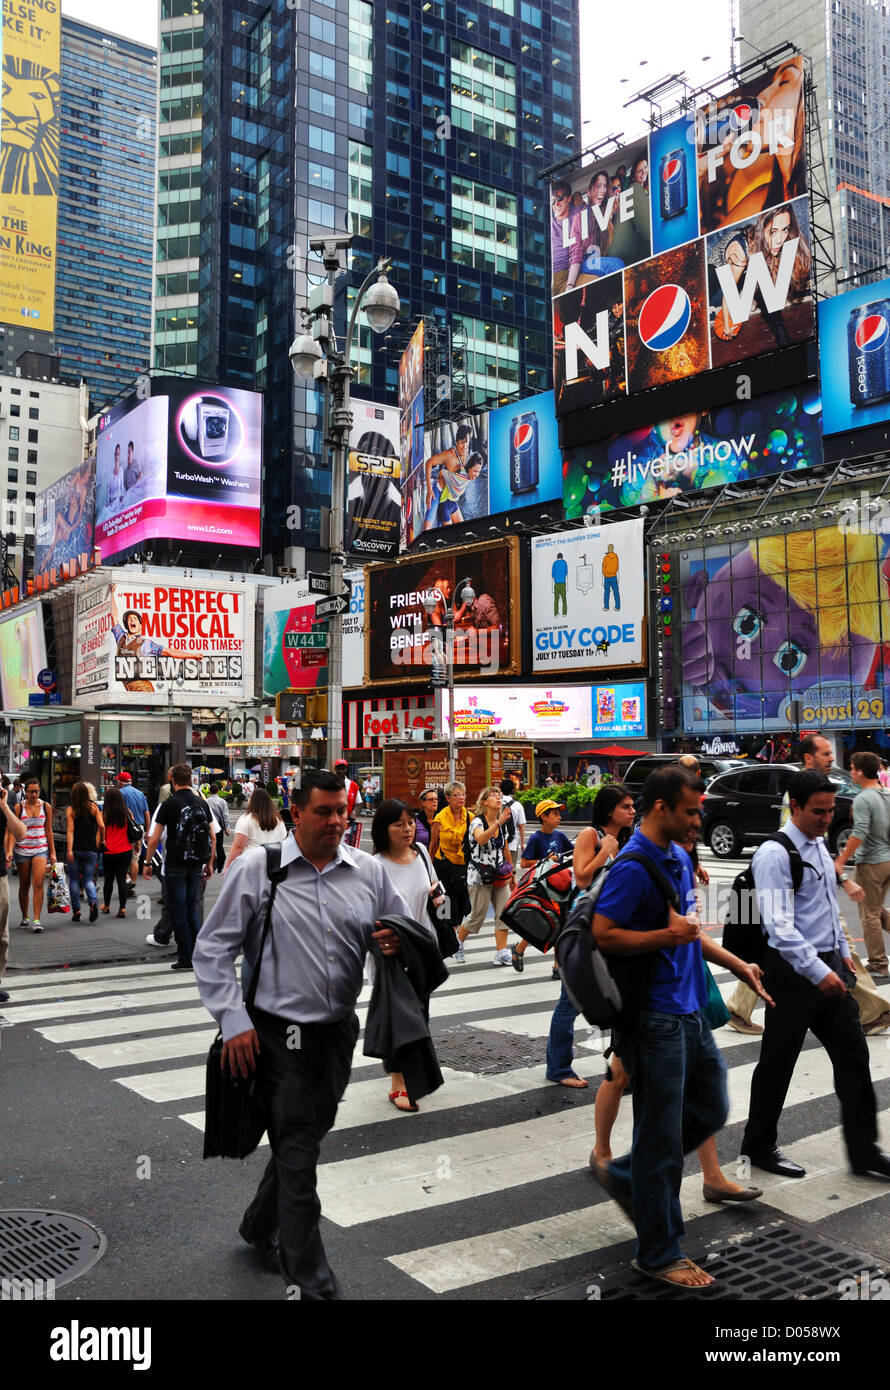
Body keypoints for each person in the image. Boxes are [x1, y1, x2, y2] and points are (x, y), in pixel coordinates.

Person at [192, 769, 409, 1299]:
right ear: (296, 814)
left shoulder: (367, 873)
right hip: (274, 1036)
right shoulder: (257, 871)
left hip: (336, 1034)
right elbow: (213, 950)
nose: (337, 821)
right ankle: (314, 1285)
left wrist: (395, 943)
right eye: (324, 811)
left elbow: (402, 934)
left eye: (343, 811)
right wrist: (234, 1021)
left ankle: (257, 1224)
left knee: (306, 1139)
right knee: (297, 1150)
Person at [590, 767, 770, 1289]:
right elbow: (604, 935)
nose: (699, 820)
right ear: (661, 809)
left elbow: (688, 930)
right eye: (691, 811)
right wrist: (664, 938)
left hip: (690, 1009)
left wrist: (736, 964)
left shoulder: (675, 856)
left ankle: (628, 1175)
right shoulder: (633, 865)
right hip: (655, 1019)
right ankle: (659, 1252)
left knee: (710, 1108)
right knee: (661, 1136)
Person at [741, 770, 890, 1182]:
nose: (827, 819)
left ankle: (864, 1151)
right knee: (777, 1061)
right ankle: (757, 1146)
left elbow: (826, 908)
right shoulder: (775, 853)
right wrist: (818, 969)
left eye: (830, 811)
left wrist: (844, 959)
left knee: (854, 1057)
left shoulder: (819, 845)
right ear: (797, 806)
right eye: (818, 812)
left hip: (828, 969)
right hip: (791, 973)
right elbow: (779, 926)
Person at [726, 734, 890, 1036]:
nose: (832, 758)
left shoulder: (820, 791)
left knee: (836, 947)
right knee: (812, 948)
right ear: (808, 758)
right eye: (825, 753)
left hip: (814, 879)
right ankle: (874, 1010)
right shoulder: (800, 793)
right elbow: (796, 841)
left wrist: (836, 876)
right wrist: (838, 876)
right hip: (798, 882)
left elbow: (816, 846)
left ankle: (739, 1006)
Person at [543, 785, 632, 1085]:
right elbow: (581, 879)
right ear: (610, 810)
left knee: (620, 998)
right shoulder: (590, 836)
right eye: (626, 807)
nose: (632, 811)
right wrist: (605, 852)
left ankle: (624, 1068)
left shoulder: (623, 840)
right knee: (568, 1003)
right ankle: (558, 1067)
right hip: (582, 930)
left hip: (610, 929)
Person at [371, 798, 443, 1113]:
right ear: (384, 830)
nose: (407, 829)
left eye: (410, 822)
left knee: (419, 1015)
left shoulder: (423, 854)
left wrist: (440, 898)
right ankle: (399, 1084)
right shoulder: (375, 866)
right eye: (398, 824)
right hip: (391, 954)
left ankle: (400, 1068)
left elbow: (438, 891)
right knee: (404, 1019)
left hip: (422, 948)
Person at [143, 763, 215, 972]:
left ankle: (186, 957)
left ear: (173, 781)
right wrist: (209, 862)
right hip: (196, 863)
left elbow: (154, 838)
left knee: (178, 910)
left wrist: (147, 862)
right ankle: (197, 954)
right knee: (192, 907)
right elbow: (211, 835)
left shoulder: (169, 805)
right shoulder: (202, 803)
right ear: (191, 781)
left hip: (175, 864)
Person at [834, 751, 890, 979]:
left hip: (871, 862)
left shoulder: (864, 799)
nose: (850, 772)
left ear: (859, 771)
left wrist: (841, 859)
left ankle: (878, 964)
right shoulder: (885, 794)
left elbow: (859, 832)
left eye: (851, 767)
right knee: (876, 910)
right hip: (887, 859)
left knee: (869, 915)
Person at [454, 786, 513, 967]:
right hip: (479, 875)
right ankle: (457, 943)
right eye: (493, 795)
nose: (498, 798)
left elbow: (504, 849)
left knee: (503, 912)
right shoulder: (477, 822)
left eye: (500, 795)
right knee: (477, 915)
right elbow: (481, 839)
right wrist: (498, 822)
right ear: (484, 802)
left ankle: (501, 952)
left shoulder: (502, 824)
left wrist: (512, 873)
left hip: (499, 875)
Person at [429, 781, 470, 941]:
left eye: (463, 794)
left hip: (463, 866)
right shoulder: (440, 818)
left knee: (462, 903)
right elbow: (433, 844)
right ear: (447, 798)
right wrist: (429, 868)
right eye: (456, 795)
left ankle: (455, 933)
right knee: (446, 902)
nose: (460, 798)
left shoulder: (471, 817)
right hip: (443, 865)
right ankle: (445, 935)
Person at [14, 777, 55, 932]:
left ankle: (37, 919)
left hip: (41, 848)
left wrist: (53, 852)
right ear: (26, 791)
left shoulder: (46, 806)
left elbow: (49, 830)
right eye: (31, 791)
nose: (34, 794)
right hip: (22, 849)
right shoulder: (19, 807)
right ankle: (25, 916)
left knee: (38, 883)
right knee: (24, 884)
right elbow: (13, 829)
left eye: (36, 791)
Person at [0, 788, 29, 1001]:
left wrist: (3, 806)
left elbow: (20, 833)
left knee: (2, 935)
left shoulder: (4, 807)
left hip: (0, 875)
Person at [224, 787, 287, 873]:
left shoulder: (246, 819)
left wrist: (228, 866)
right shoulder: (278, 820)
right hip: (273, 865)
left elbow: (238, 846)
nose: (248, 799)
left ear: (254, 801)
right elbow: (283, 842)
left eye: (250, 797)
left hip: (251, 864)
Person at [65, 781, 104, 923]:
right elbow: (101, 825)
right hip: (91, 849)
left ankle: (77, 910)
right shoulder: (94, 807)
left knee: (74, 880)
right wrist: (101, 840)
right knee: (88, 879)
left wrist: (69, 849)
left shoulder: (71, 810)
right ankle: (93, 902)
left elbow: (70, 830)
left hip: (75, 848)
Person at [550, 179, 591, 296]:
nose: (556, 204)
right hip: (549, 278)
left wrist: (570, 284)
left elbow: (576, 252)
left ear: (568, 198)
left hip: (567, 274)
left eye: (559, 198)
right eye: (553, 201)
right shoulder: (550, 225)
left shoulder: (577, 214)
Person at [100, 785, 134, 919]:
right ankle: (122, 908)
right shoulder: (127, 812)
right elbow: (133, 828)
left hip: (109, 851)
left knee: (108, 880)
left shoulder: (105, 814)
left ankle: (107, 905)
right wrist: (136, 844)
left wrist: (100, 844)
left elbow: (101, 831)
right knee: (121, 879)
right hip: (125, 850)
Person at [117, 770, 149, 886]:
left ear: (121, 782)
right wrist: (148, 830)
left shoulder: (120, 793)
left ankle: (127, 880)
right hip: (139, 828)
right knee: (135, 858)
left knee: (122, 857)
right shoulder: (140, 794)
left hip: (125, 828)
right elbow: (147, 814)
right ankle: (133, 885)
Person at [499, 777, 526, 874]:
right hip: (512, 844)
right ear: (513, 790)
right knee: (510, 871)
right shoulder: (517, 805)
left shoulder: (496, 803)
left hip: (497, 844)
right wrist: (523, 843)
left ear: (500, 789)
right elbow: (521, 825)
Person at [206, 782, 231, 874]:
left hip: (209, 825)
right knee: (219, 845)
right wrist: (226, 828)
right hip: (219, 826)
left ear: (209, 791)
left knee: (210, 845)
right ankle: (220, 866)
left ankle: (211, 864)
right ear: (218, 791)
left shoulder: (206, 801)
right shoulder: (222, 801)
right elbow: (225, 816)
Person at [602, 543, 620, 611]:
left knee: (606, 593)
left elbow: (603, 568)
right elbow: (617, 567)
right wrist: (613, 572)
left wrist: (606, 573)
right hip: (613, 576)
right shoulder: (615, 557)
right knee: (616, 592)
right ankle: (617, 607)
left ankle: (606, 607)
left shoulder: (605, 558)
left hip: (607, 577)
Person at [551, 552, 568, 617]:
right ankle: (564, 613)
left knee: (556, 600)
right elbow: (566, 572)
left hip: (557, 584)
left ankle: (556, 613)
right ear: (562, 557)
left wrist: (556, 578)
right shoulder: (564, 562)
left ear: (557, 557)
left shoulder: (554, 563)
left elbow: (553, 574)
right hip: (562, 583)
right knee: (564, 599)